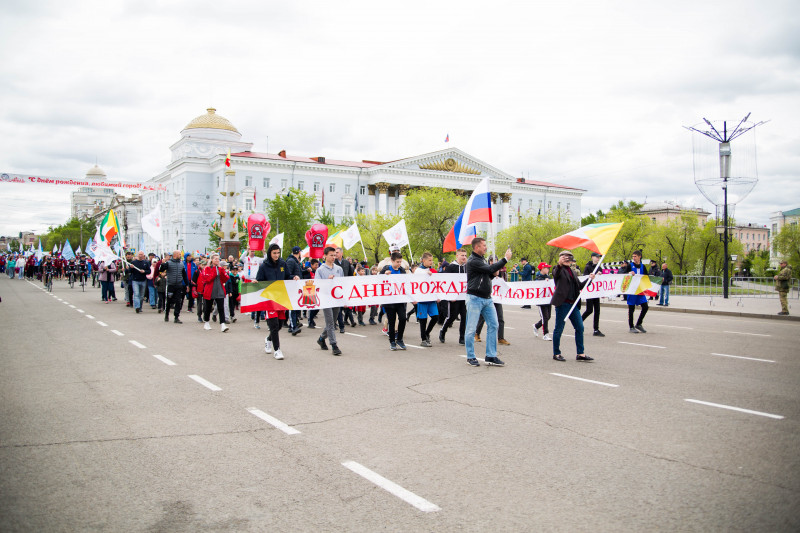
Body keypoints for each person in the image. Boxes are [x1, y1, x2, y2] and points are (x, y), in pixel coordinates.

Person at [465, 238, 512, 367]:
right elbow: (488, 270)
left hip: (487, 298)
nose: (486, 247)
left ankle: (491, 355)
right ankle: (470, 356)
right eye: (484, 245)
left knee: (494, 325)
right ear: (476, 247)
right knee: (471, 328)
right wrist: (505, 259)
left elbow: (486, 275)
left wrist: (493, 273)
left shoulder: (481, 260)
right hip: (475, 298)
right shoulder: (473, 260)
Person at [255, 243, 300, 359]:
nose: (276, 255)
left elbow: (287, 276)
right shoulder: (264, 266)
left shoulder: (282, 264)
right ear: (270, 253)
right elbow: (259, 280)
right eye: (274, 253)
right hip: (270, 298)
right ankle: (277, 350)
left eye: (278, 253)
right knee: (274, 325)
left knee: (280, 324)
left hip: (281, 298)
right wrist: (256, 283)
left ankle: (269, 339)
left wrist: (293, 277)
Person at [551, 250, 594, 362]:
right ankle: (556, 353)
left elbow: (579, 286)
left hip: (573, 304)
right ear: (560, 258)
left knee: (580, 327)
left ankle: (580, 353)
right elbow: (556, 274)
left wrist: (589, 279)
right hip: (562, 304)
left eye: (569, 257)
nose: (567, 259)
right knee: (559, 329)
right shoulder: (557, 269)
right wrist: (560, 264)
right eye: (564, 257)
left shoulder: (573, 271)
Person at [315, 246, 343, 356]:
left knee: (332, 321)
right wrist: (327, 281)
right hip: (326, 299)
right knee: (330, 322)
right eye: (331, 255)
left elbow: (342, 284)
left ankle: (321, 338)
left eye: (335, 255)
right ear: (325, 256)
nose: (333, 257)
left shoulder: (338, 269)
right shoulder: (320, 270)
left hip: (336, 299)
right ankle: (334, 345)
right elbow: (317, 285)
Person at [439, 248, 468, 345]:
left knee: (464, 317)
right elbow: (446, 282)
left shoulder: (467, 267)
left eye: (465, 255)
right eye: (462, 255)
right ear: (457, 256)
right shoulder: (451, 267)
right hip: (454, 297)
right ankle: (443, 331)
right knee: (451, 316)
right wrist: (450, 296)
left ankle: (462, 338)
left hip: (464, 297)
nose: (464, 257)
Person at [380, 252, 408, 350]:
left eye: (400, 262)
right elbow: (378, 281)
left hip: (400, 300)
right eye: (397, 262)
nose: (399, 264)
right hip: (389, 301)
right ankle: (392, 342)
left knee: (403, 318)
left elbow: (407, 282)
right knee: (391, 322)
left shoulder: (402, 270)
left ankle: (399, 339)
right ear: (392, 261)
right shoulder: (386, 269)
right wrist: (384, 275)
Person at [412, 252, 440, 347]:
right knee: (423, 320)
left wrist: (437, 295)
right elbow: (418, 279)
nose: (431, 262)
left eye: (432, 260)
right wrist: (426, 273)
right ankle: (423, 339)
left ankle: (427, 333)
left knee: (435, 317)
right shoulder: (419, 270)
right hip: (422, 299)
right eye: (429, 260)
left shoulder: (431, 270)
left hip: (431, 298)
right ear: (423, 260)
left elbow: (434, 284)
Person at [199, 253, 230, 333]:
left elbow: (225, 279)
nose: (217, 260)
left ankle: (222, 324)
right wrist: (214, 273)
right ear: (212, 260)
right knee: (208, 307)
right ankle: (206, 322)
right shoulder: (207, 268)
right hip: (210, 291)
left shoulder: (220, 268)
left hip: (219, 290)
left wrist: (223, 273)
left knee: (221, 308)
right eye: (215, 259)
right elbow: (206, 279)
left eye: (218, 259)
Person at [620, 250, 649, 333]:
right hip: (632, 290)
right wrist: (629, 273)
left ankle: (639, 324)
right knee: (631, 309)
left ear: (639, 257)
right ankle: (631, 326)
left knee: (645, 307)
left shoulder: (643, 266)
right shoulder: (630, 265)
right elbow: (623, 274)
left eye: (635, 256)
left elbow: (647, 277)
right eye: (632, 256)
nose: (633, 258)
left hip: (640, 290)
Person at [160, 250, 189, 324]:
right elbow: (161, 270)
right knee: (169, 301)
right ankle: (167, 314)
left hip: (179, 285)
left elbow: (184, 275)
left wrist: (187, 284)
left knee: (178, 301)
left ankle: (176, 317)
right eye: (179, 254)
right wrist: (162, 264)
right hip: (171, 285)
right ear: (175, 255)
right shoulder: (168, 263)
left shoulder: (181, 264)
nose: (180, 255)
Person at [581, 252, 605, 337]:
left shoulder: (599, 267)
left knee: (597, 310)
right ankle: (579, 322)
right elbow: (585, 278)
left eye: (599, 257)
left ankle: (596, 329)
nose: (598, 258)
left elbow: (601, 280)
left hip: (596, 292)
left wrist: (599, 275)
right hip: (590, 291)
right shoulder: (588, 267)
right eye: (597, 257)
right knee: (589, 310)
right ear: (592, 257)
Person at [285, 246, 305, 335]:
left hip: (297, 287)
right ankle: (293, 327)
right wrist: (293, 277)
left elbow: (298, 272)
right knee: (292, 307)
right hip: (292, 287)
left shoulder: (295, 261)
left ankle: (293, 324)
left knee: (296, 306)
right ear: (298, 252)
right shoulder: (291, 261)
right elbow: (287, 274)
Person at [533, 262, 552, 340]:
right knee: (545, 317)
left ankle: (536, 326)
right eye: (546, 268)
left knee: (548, 316)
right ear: (542, 269)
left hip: (548, 300)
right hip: (541, 301)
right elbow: (537, 288)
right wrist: (544, 282)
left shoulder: (548, 277)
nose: (548, 269)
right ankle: (545, 334)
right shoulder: (538, 278)